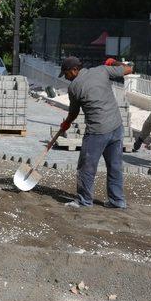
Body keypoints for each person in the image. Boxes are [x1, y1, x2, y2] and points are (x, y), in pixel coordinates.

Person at [59, 57, 133, 208]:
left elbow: (74, 112)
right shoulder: (102, 70)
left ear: (74, 70)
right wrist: (113, 62)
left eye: (66, 73)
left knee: (86, 167)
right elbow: (129, 68)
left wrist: (67, 123)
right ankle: (117, 201)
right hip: (116, 127)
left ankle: (84, 201)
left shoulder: (74, 87)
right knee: (115, 166)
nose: (66, 77)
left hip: (97, 131)